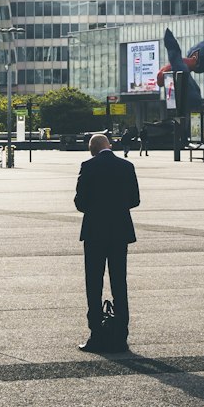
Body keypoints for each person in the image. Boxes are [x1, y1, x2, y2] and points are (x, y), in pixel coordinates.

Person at [74, 133, 140, 353]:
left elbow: (80, 202)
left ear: (92, 149)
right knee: (119, 281)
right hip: (120, 231)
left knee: (94, 282)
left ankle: (97, 335)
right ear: (109, 146)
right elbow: (135, 200)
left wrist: (97, 208)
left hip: (94, 231)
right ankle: (121, 336)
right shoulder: (126, 166)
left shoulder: (88, 166)